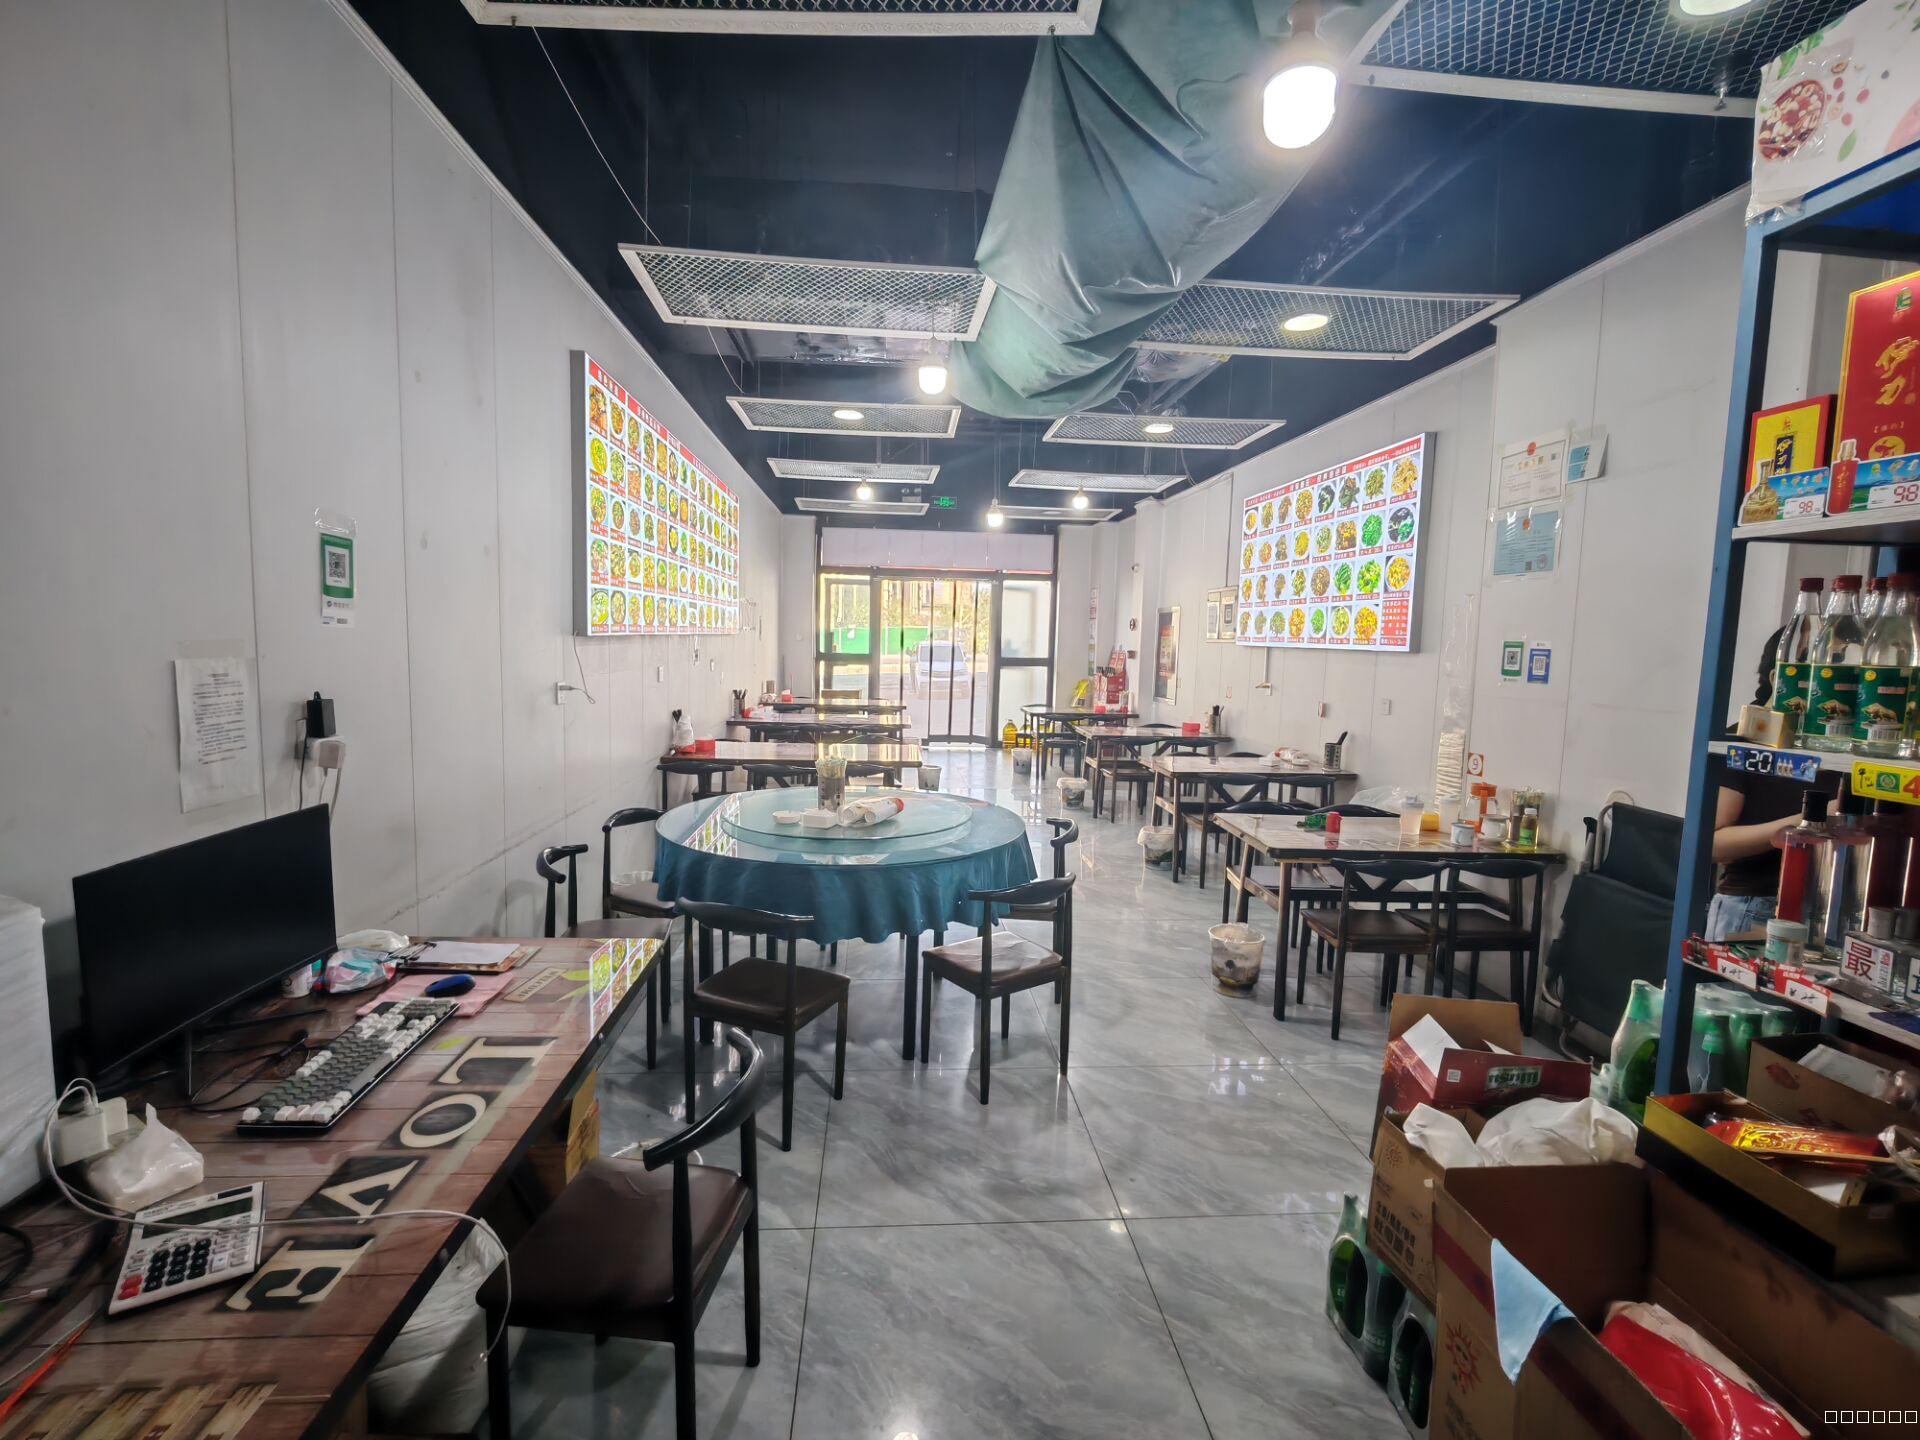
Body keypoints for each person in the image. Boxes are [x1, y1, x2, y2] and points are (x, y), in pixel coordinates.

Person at [1707, 626, 1819, 940]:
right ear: (1776, 677)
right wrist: (1810, 819)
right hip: (1753, 905)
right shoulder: (1744, 739)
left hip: (1824, 907)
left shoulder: (1836, 745)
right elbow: (1713, 843)